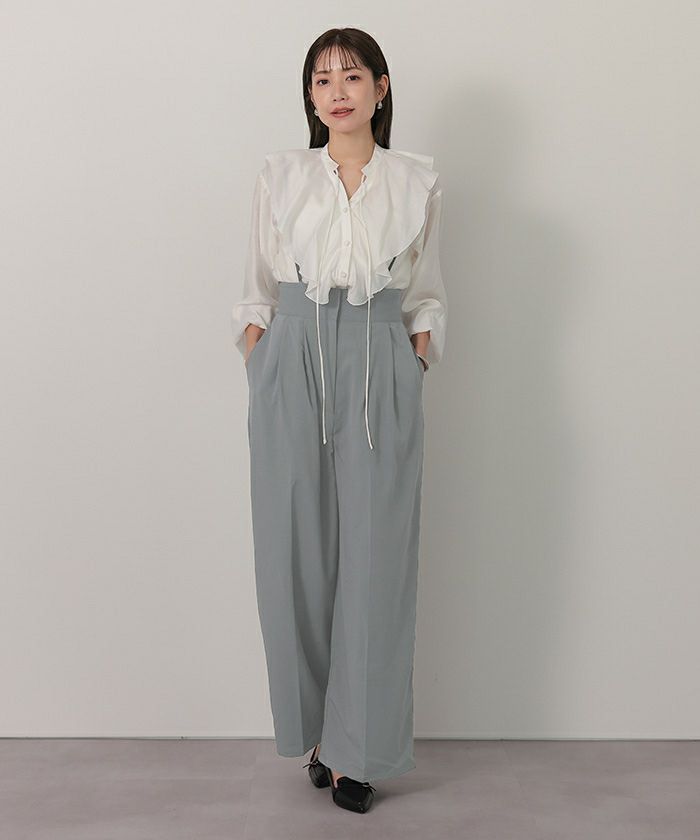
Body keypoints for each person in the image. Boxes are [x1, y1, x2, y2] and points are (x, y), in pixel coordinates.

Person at [230, 27, 447, 814]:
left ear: (381, 88)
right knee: (293, 553)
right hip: (292, 354)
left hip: (378, 356)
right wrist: (260, 354)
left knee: (375, 559)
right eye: (321, 80)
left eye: (352, 76)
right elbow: (256, 283)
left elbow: (426, 288)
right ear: (310, 97)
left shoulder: (416, 180)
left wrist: (413, 359)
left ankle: (358, 752)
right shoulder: (281, 175)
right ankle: (317, 733)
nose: (337, 91)